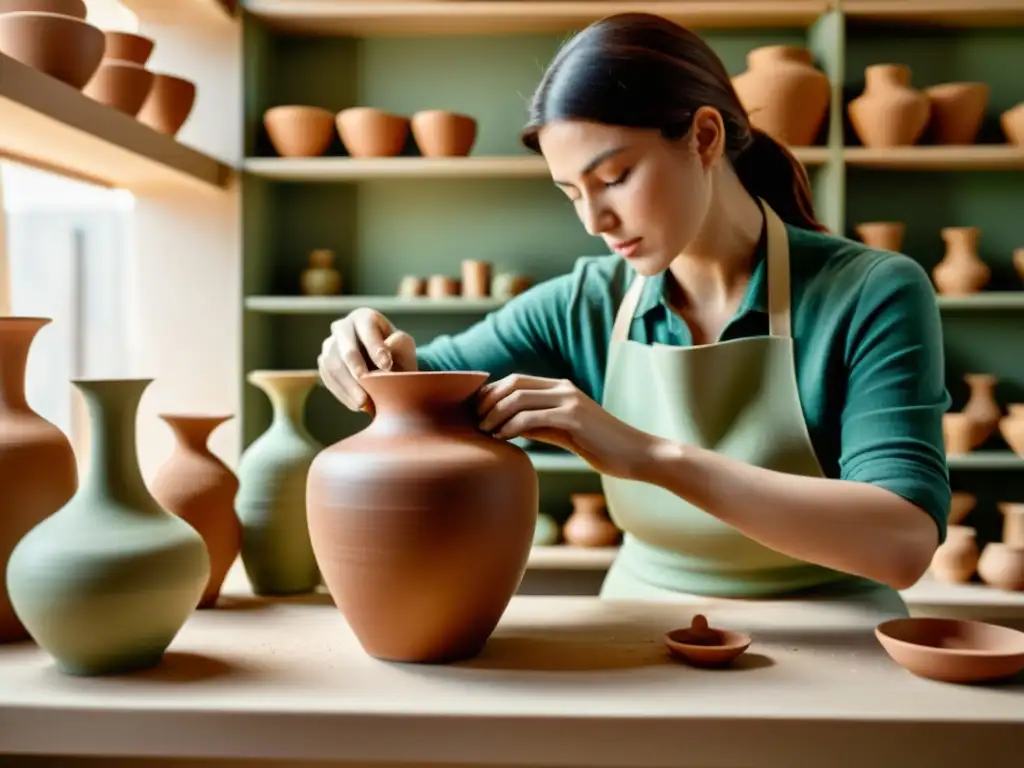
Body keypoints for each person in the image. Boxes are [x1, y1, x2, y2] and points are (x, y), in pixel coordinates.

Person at [317, 12, 950, 622]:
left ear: (705, 136)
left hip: (835, 637)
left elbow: (902, 543)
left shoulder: (872, 291)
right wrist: (366, 357)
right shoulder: (585, 302)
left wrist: (650, 456)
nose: (594, 222)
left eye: (614, 178)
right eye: (572, 193)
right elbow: (420, 382)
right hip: (640, 629)